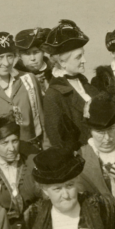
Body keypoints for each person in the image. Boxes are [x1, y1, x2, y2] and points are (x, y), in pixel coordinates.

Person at [0, 32, 45, 149]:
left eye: (10, 56)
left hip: (30, 150)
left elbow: (42, 119)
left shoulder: (29, 79)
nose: (6, 63)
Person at [43, 20, 99, 151]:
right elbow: (58, 142)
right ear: (62, 62)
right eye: (78, 57)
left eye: (83, 55)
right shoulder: (53, 95)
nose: (84, 60)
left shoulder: (87, 86)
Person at [76, 93, 115, 210]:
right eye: (100, 132)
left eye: (111, 129)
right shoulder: (82, 157)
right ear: (91, 132)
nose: (108, 138)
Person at [14, 27, 53, 93]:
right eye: (27, 54)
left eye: (36, 52)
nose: (32, 58)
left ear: (43, 52)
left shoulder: (55, 72)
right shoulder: (15, 77)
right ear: (19, 55)